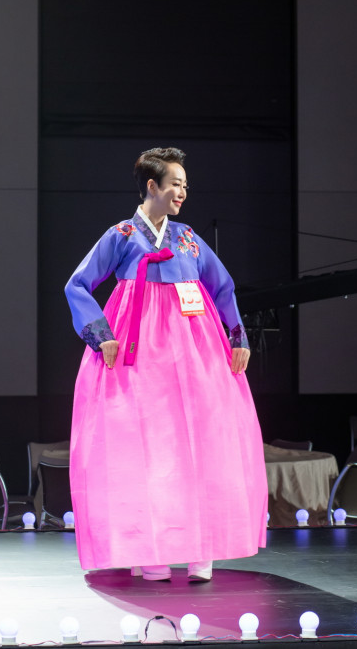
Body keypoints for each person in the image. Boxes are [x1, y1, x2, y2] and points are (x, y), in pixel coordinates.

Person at [65, 147, 267, 582]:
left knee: (204, 441)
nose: (182, 192)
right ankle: (149, 550)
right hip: (138, 350)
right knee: (142, 448)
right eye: (176, 184)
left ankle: (201, 550)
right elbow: (77, 285)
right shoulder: (121, 235)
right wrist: (102, 336)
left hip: (195, 349)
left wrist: (237, 336)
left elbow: (223, 286)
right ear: (152, 186)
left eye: (185, 185)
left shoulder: (188, 237)